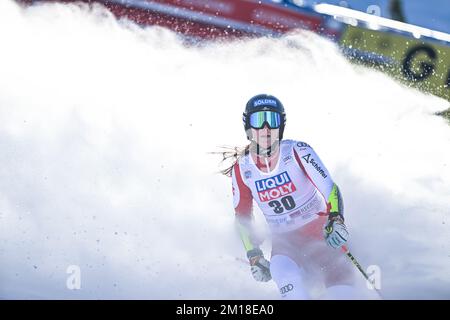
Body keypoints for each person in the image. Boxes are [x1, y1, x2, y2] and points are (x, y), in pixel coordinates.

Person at [225, 94, 358, 299]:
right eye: (259, 120)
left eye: (273, 120)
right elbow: (242, 217)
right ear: (248, 127)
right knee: (283, 273)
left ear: (281, 125)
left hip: (321, 235)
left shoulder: (297, 152)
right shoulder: (242, 169)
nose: (266, 128)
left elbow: (330, 189)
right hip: (286, 245)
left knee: (343, 289)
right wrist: (254, 254)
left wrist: (336, 219)